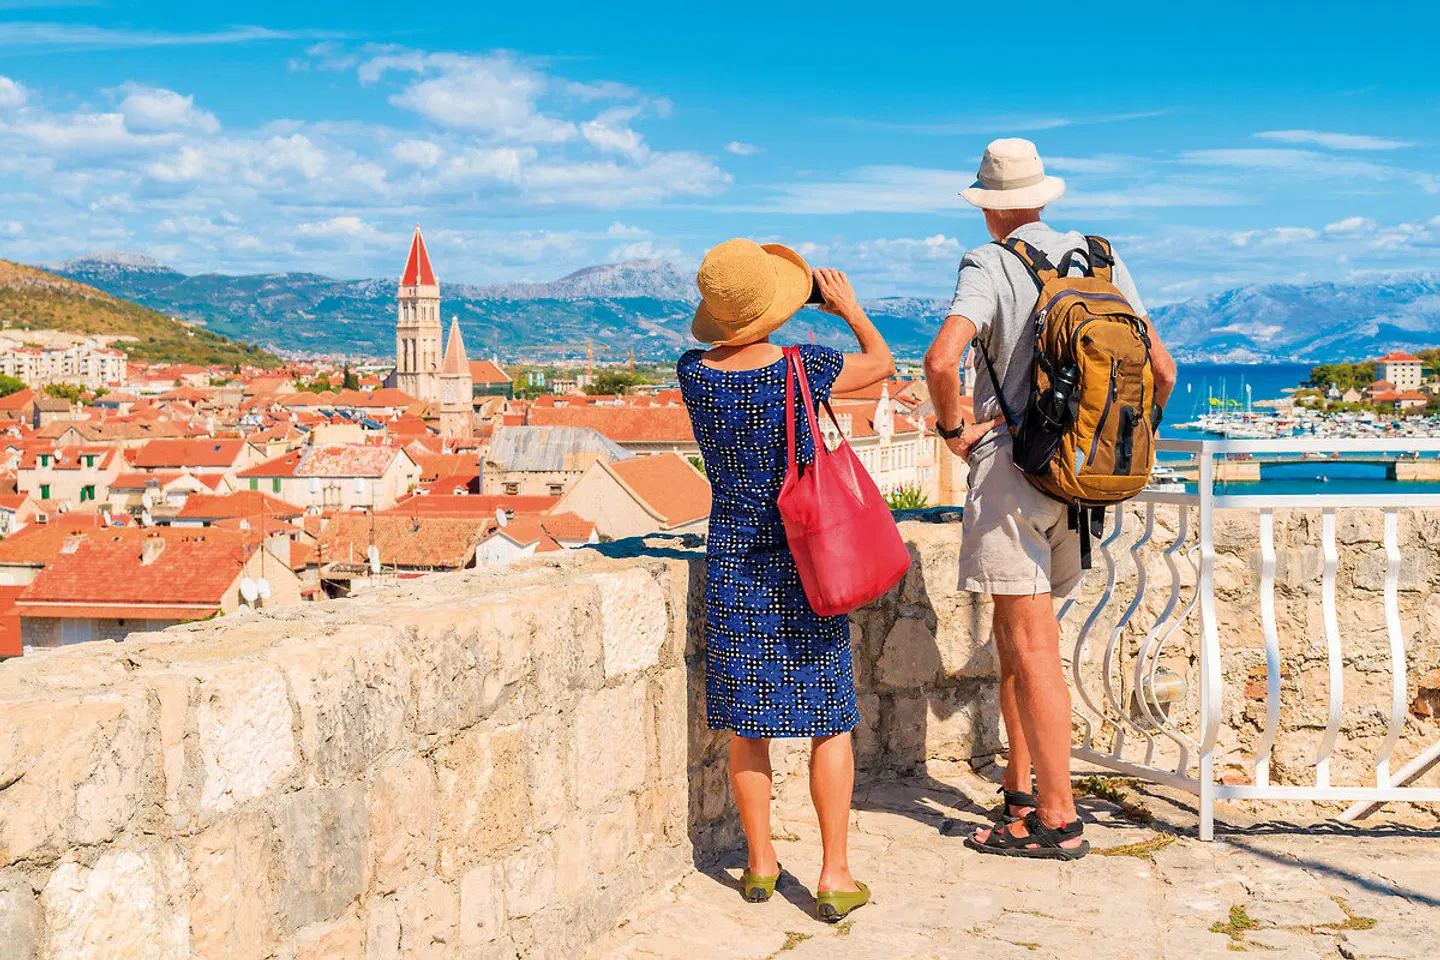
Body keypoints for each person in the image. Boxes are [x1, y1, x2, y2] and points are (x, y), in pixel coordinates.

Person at [923, 139, 1177, 860]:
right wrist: (1117, 441)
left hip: (1013, 473)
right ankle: (1021, 791)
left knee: (1032, 649)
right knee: (1019, 642)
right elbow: (1162, 369)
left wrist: (954, 430)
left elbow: (941, 359)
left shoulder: (989, 263)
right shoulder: (1100, 259)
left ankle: (1058, 820)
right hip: (1081, 480)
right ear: (1041, 197)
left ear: (988, 208)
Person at [677, 238, 894, 920]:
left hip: (735, 560)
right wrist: (849, 309)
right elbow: (883, 364)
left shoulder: (693, 374)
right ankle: (834, 874)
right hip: (808, 557)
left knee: (748, 725)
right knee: (830, 720)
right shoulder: (806, 366)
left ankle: (760, 864)